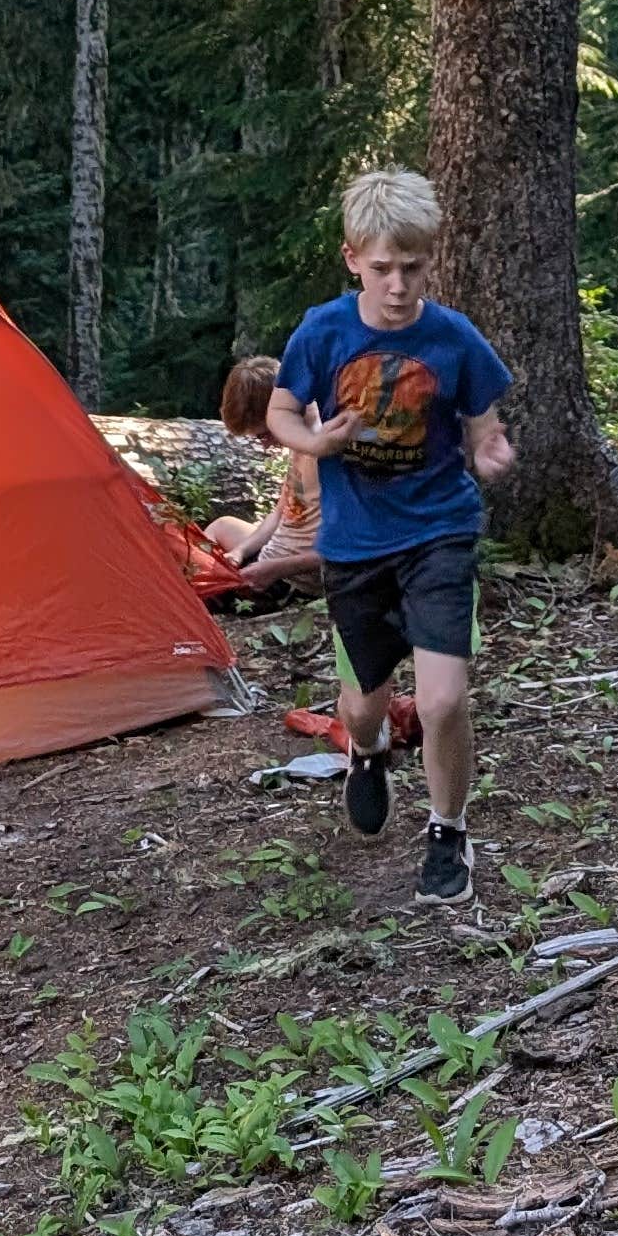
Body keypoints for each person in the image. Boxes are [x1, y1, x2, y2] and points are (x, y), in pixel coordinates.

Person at [266, 165, 516, 905]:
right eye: (383, 269)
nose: (399, 285)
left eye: (413, 268)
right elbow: (282, 410)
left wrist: (490, 451)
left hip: (439, 531)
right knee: (361, 707)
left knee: (441, 700)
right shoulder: (324, 331)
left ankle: (448, 831)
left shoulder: (454, 339)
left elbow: (483, 426)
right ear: (352, 259)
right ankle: (367, 756)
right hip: (354, 545)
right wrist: (315, 444)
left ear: (430, 260)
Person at [203, 356, 324, 585]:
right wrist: (240, 551)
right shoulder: (298, 439)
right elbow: (279, 514)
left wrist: (272, 569)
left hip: (292, 578)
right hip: (272, 556)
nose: (266, 445)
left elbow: (347, 549)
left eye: (264, 435)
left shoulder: (326, 451)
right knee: (220, 527)